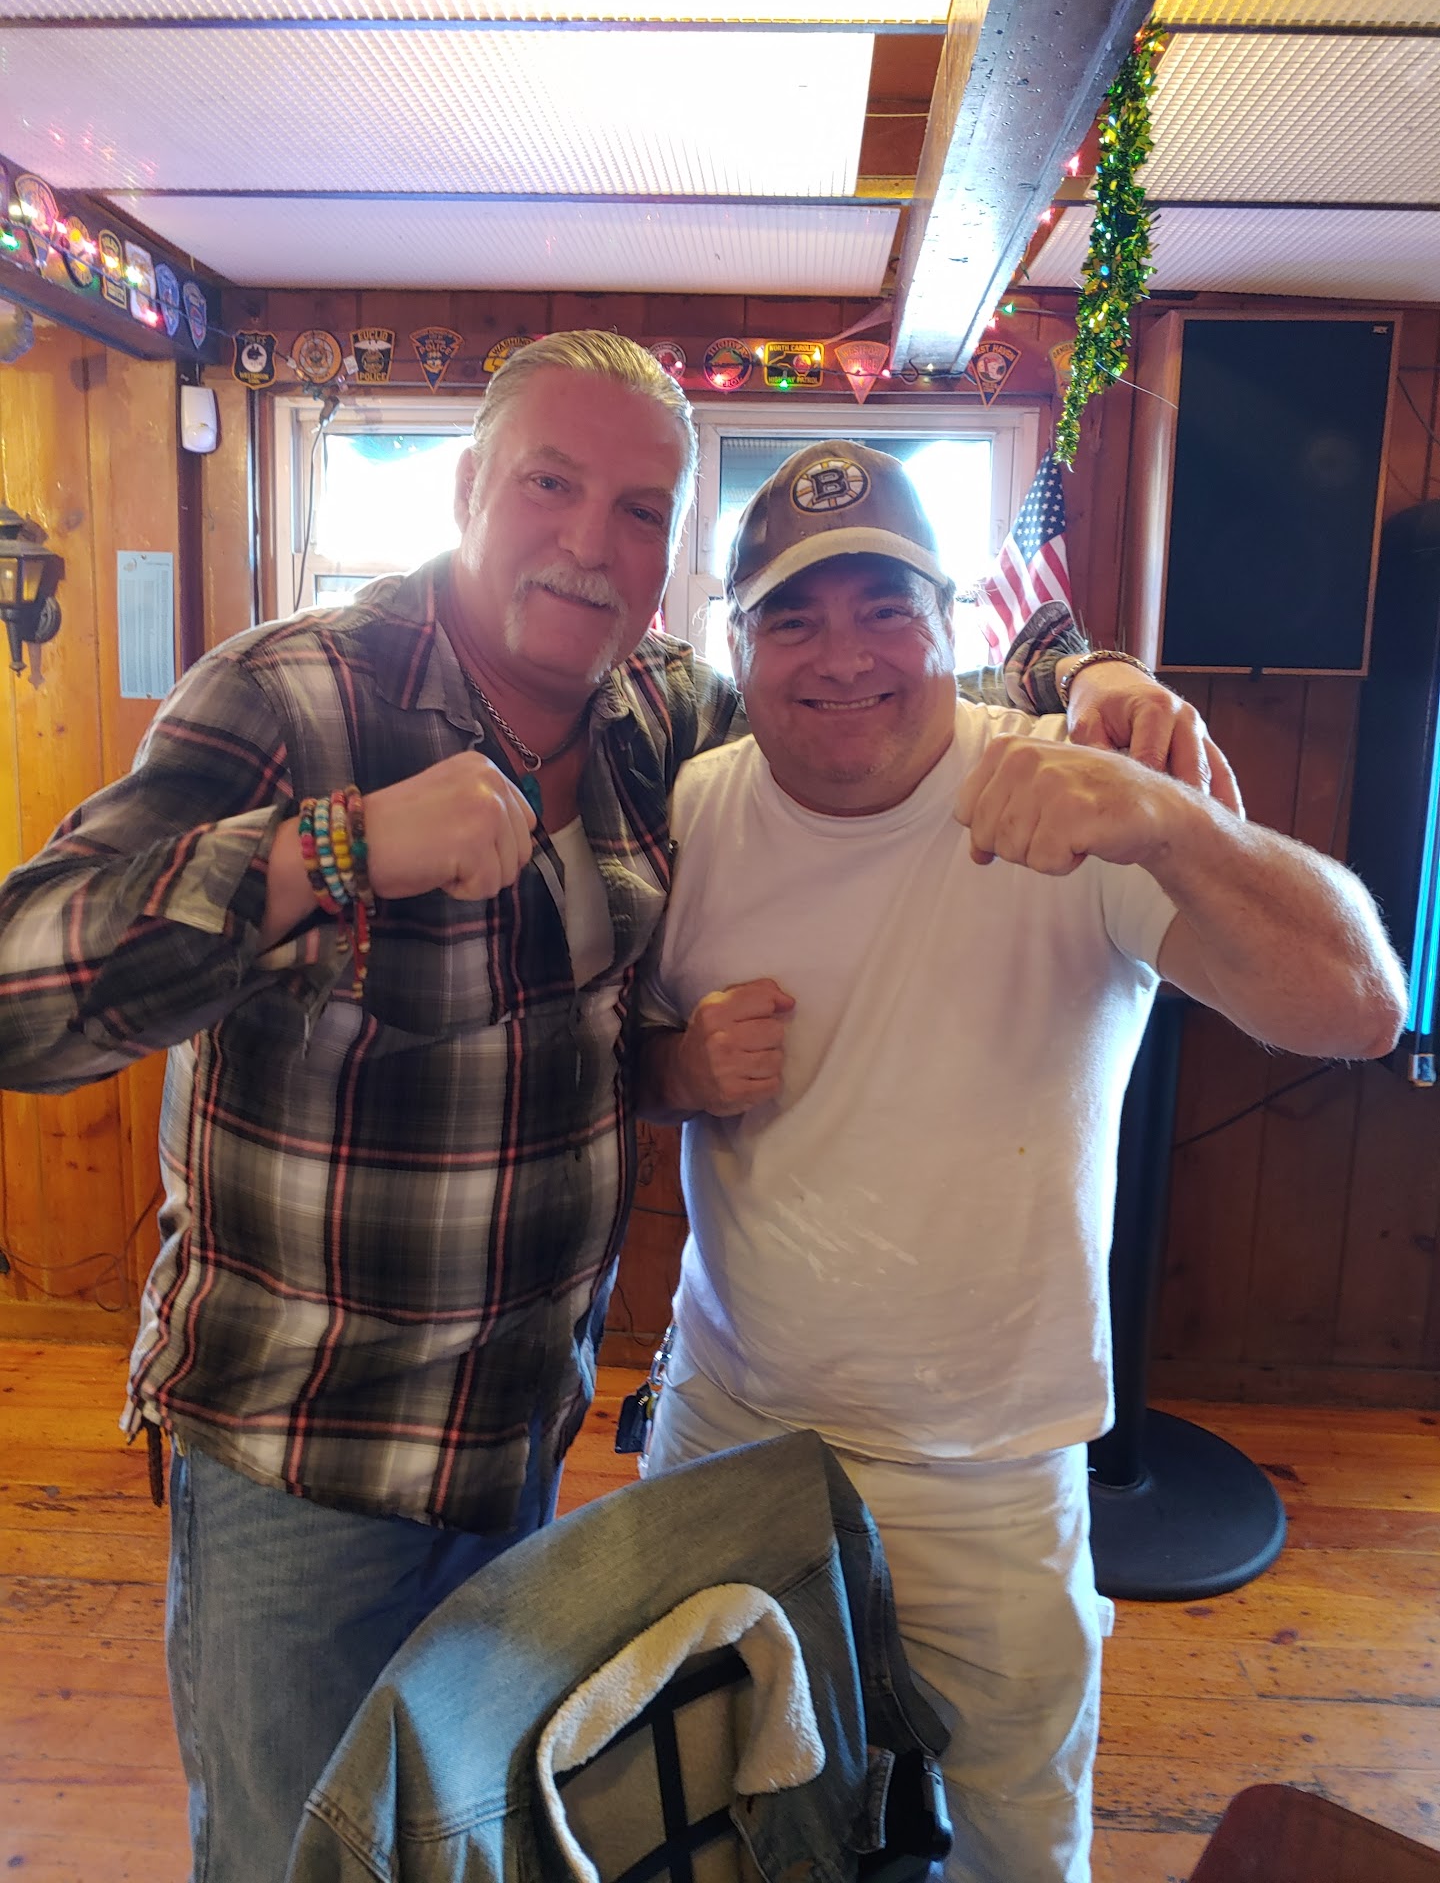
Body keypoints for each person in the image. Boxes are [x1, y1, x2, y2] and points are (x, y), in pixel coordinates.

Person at [0, 334, 1235, 1880]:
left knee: (479, 1846)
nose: (592, 541)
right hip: (301, 1459)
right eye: (551, 484)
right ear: (467, 487)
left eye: (641, 510)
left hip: (520, 1444)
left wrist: (1085, 673)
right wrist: (335, 849)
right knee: (289, 1860)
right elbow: (23, 989)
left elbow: (874, 680)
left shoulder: (659, 714)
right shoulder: (290, 695)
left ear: (670, 557)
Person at [635, 439, 1406, 1883]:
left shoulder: (1075, 797)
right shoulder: (688, 819)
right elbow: (600, 1054)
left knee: (1017, 1845)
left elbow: (1361, 1007)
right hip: (728, 1421)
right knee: (712, 1816)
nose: (843, 656)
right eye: (794, 617)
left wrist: (1172, 822)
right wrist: (673, 1068)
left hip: (988, 1468)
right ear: (737, 647)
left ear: (954, 626)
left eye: (886, 607)